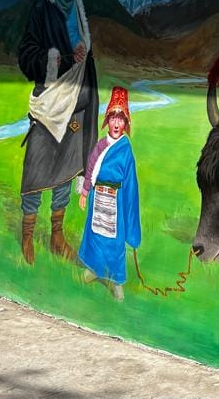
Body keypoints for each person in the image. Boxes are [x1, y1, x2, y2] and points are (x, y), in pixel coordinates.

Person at [17, 0, 100, 265]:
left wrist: (81, 56)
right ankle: (27, 234)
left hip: (76, 104)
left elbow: (87, 61)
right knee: (37, 166)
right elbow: (26, 51)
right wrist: (52, 59)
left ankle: (56, 235)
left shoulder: (78, 9)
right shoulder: (42, 8)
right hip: (50, 103)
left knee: (66, 169)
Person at [78, 86, 142, 301]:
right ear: (107, 120)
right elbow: (90, 168)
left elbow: (131, 185)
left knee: (115, 243)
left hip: (116, 201)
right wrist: (85, 192)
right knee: (95, 236)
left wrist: (130, 218)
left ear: (126, 124)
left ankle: (116, 281)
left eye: (120, 119)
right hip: (98, 199)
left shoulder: (126, 151)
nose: (116, 123)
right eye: (113, 117)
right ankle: (95, 270)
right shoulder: (100, 146)